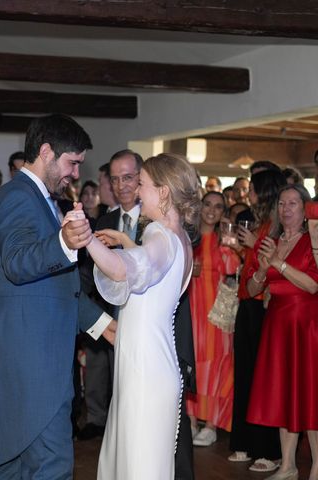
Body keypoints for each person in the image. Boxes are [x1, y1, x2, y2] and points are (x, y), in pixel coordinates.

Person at [0, 114, 113, 478]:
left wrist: (104, 324)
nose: (76, 174)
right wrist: (63, 242)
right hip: (34, 364)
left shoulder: (39, 198)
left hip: (26, 356)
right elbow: (18, 263)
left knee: (12, 464)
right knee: (51, 464)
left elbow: (55, 285)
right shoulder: (19, 196)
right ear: (46, 151)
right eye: (73, 162)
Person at [73, 152, 200, 479]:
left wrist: (85, 237)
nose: (137, 192)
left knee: (138, 467)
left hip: (145, 371)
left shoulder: (159, 234)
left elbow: (122, 270)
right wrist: (128, 243)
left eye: (142, 184)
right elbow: (150, 276)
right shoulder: (180, 238)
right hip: (151, 365)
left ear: (164, 192)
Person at [246, 185, 318, 480]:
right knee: (283, 393)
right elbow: (252, 290)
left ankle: (316, 467)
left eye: (293, 203)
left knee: (311, 395)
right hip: (277, 325)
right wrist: (263, 270)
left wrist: (278, 263)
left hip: (307, 325)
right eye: (282, 203)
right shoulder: (270, 240)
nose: (286, 208)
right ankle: (287, 465)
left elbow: (313, 285)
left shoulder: (313, 240)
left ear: (304, 210)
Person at [77, 148, 143, 441]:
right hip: (106, 309)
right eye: (115, 179)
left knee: (133, 385)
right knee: (99, 370)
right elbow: (90, 270)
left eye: (128, 177)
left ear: (142, 178)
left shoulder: (155, 222)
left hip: (141, 314)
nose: (121, 185)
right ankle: (100, 422)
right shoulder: (104, 220)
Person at [230, 169, 286, 472]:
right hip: (247, 302)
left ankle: (269, 449)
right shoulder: (259, 223)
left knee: (264, 380)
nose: (247, 194)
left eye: (252, 189)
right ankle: (246, 442)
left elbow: (270, 270)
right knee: (246, 376)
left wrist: (251, 246)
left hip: (264, 306)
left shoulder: (273, 228)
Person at [187, 191, 241, 446]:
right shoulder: (187, 237)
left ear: (224, 212)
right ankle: (190, 420)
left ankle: (211, 423)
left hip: (217, 315)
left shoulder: (225, 241)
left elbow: (233, 273)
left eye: (218, 207)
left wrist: (235, 250)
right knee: (191, 364)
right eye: (207, 204)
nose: (211, 210)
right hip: (190, 310)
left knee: (217, 367)